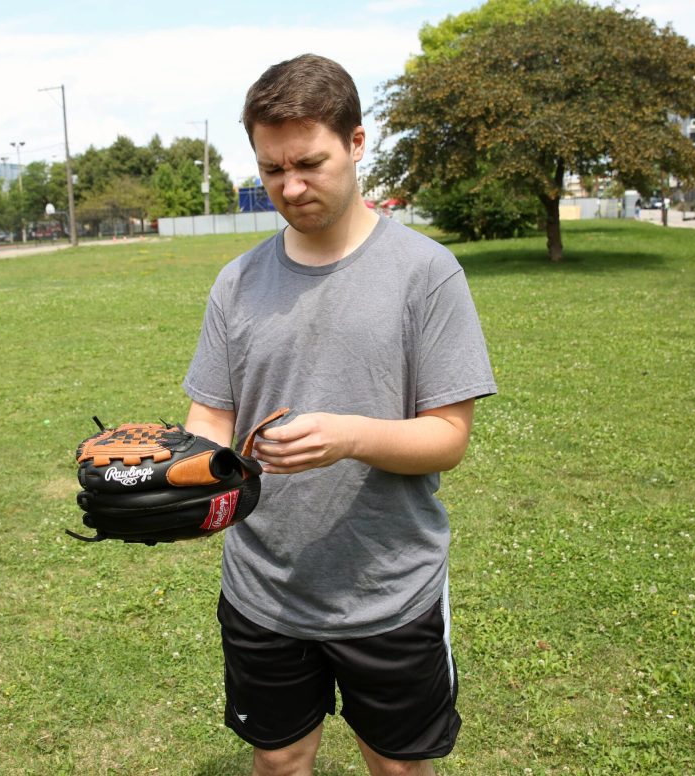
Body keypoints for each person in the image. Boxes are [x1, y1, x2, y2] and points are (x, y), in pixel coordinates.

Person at [182, 53, 496, 776]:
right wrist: (175, 481)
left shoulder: (426, 273)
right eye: (270, 170)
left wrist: (348, 436)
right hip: (264, 588)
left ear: (357, 144)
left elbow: (448, 439)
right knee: (283, 759)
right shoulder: (236, 282)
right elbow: (209, 420)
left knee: (397, 767)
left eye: (310, 163)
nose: (290, 187)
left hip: (387, 588)